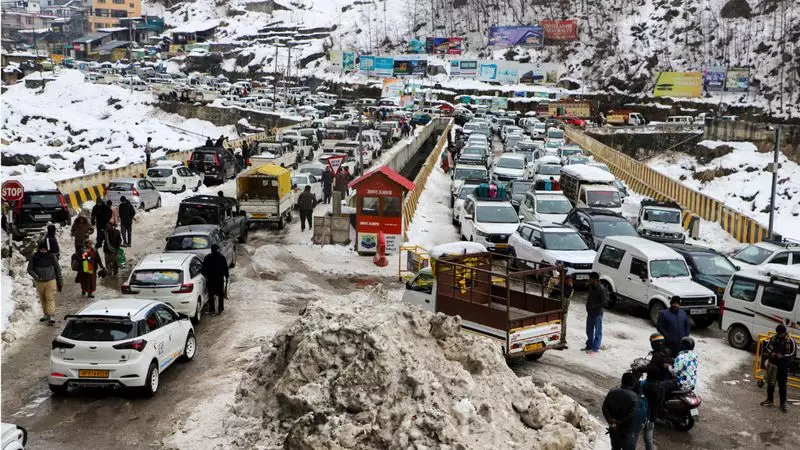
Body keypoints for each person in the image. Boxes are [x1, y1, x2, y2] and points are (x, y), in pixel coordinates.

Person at [761, 324, 797, 413]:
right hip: (773, 364)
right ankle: (769, 400)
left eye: (780, 334)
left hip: (783, 366)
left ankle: (782, 404)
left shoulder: (791, 341)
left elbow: (793, 354)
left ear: (784, 332)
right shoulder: (774, 338)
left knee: (782, 386)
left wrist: (782, 356)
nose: (779, 335)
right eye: (778, 333)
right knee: (770, 383)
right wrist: (772, 353)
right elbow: (768, 348)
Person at [27, 241, 63, 325]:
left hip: (51, 281)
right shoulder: (34, 257)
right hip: (39, 282)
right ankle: (46, 314)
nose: (43, 251)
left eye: (45, 249)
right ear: (39, 249)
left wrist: (60, 280)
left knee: (50, 297)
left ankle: (51, 315)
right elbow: (29, 269)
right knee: (42, 298)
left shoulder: (51, 256)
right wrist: (35, 276)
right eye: (42, 249)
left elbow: (57, 269)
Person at [602, 372, 639, 450]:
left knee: (615, 448)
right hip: (625, 431)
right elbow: (632, 415)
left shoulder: (612, 391)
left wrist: (610, 421)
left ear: (622, 380)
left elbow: (604, 407)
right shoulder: (634, 396)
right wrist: (619, 423)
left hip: (613, 429)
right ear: (632, 383)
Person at [640, 368, 664, 450]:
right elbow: (661, 403)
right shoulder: (661, 388)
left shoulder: (642, 384)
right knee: (648, 438)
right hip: (652, 417)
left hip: (641, 416)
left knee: (633, 436)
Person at [201, 244, 229, 315]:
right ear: (217, 249)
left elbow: (203, 269)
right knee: (220, 295)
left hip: (211, 279)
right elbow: (225, 268)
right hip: (219, 279)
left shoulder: (207, 258)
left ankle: (212, 310)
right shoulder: (221, 257)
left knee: (211, 295)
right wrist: (226, 276)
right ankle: (220, 309)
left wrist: (205, 275)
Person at [583, 272, 607, 353]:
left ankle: (595, 348)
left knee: (597, 332)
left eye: (590, 278)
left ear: (595, 280)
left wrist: (594, 307)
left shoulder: (601, 289)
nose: (589, 280)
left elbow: (604, 302)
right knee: (589, 330)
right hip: (590, 313)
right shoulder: (591, 287)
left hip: (597, 314)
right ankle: (589, 345)